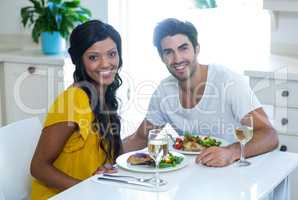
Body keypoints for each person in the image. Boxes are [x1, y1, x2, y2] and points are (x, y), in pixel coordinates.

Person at [123, 18, 278, 167]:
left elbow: (269, 135)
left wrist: (231, 152)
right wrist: (102, 160)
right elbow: (141, 138)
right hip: (194, 174)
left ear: (196, 49)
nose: (177, 59)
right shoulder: (164, 92)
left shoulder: (228, 82)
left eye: (183, 49)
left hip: (236, 171)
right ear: (162, 57)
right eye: (169, 52)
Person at [30, 20, 123, 199]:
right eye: (94, 57)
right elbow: (38, 167)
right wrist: (87, 190)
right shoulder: (74, 100)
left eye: (112, 54)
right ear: (78, 60)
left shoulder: (104, 95)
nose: (106, 64)